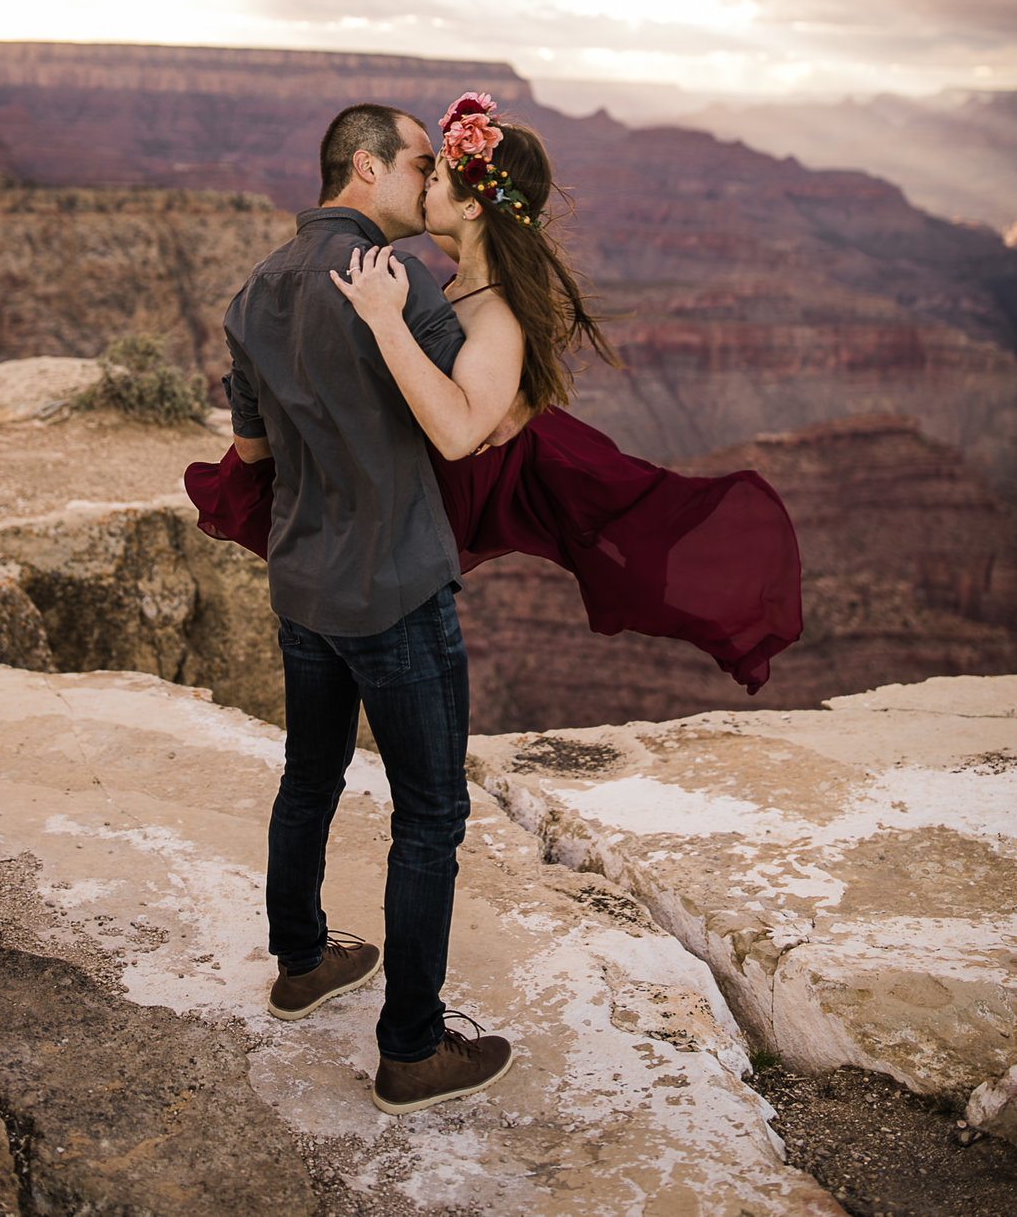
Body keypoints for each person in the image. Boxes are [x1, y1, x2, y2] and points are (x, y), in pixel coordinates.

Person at [189, 95, 803, 696]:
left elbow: (459, 434)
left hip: (417, 519)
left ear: (473, 206)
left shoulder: (487, 308)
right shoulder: (457, 284)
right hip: (388, 513)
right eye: (423, 172)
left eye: (437, 177)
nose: (426, 187)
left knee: (406, 779)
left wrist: (385, 320)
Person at [200, 101, 513, 1116]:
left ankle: (299, 963)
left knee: (310, 773)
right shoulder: (396, 283)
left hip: (304, 586)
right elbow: (468, 418)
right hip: (396, 589)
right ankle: (411, 1051)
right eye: (420, 163)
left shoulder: (254, 292)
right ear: (367, 167)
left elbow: (249, 455)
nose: (429, 183)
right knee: (430, 815)